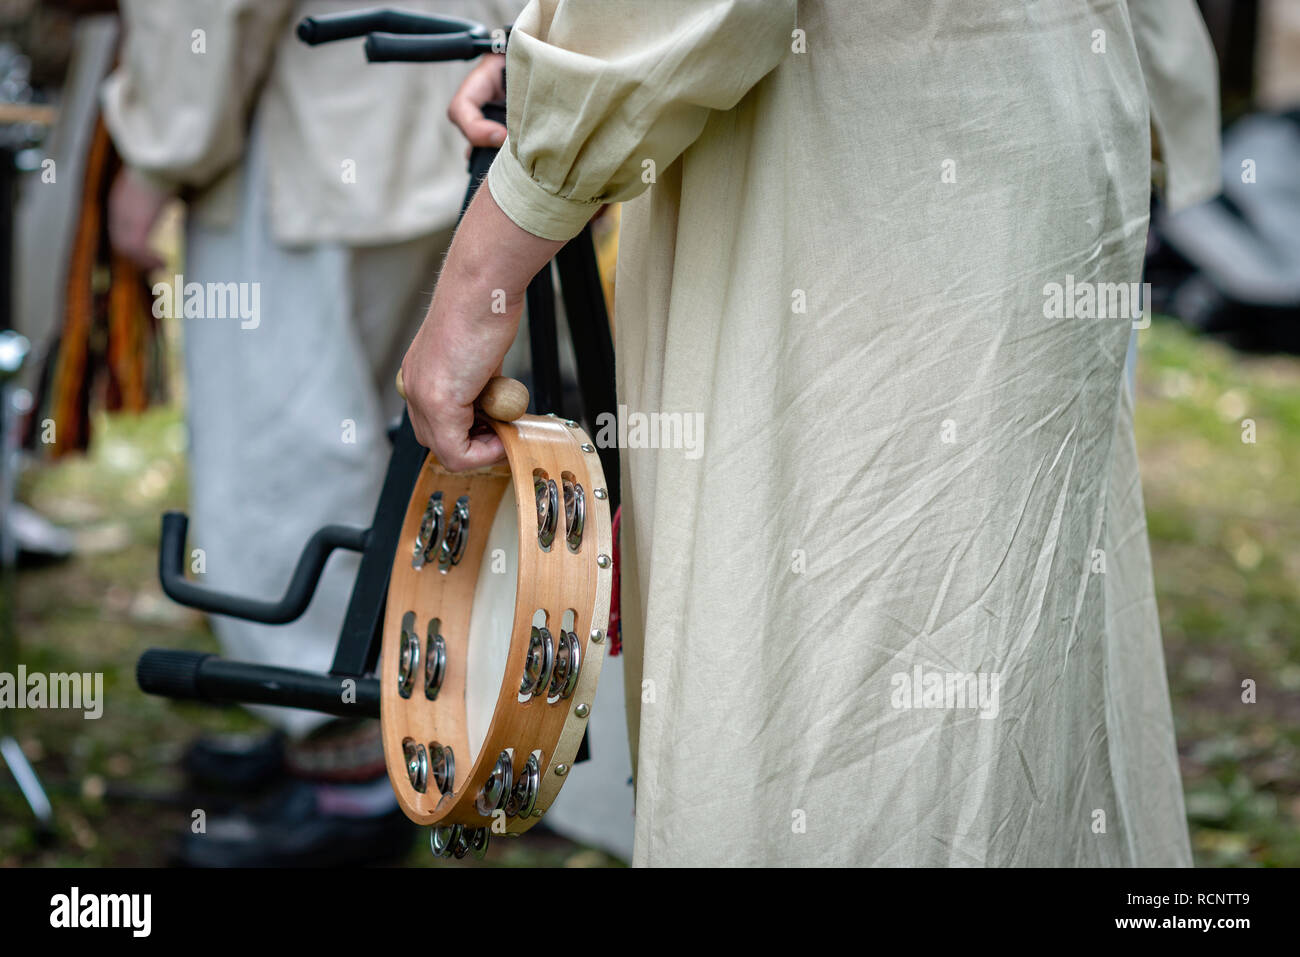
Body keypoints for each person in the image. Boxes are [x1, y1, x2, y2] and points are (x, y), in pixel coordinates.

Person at [405, 0, 1222, 865]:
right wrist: (566, 63)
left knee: (837, 710)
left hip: (857, 177)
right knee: (973, 671)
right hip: (996, 122)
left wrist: (491, 258)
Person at [101, 0, 521, 866]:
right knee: (393, 447)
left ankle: (352, 770)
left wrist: (161, 148)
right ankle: (378, 727)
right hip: (443, 99)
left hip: (315, 124)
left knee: (289, 457)